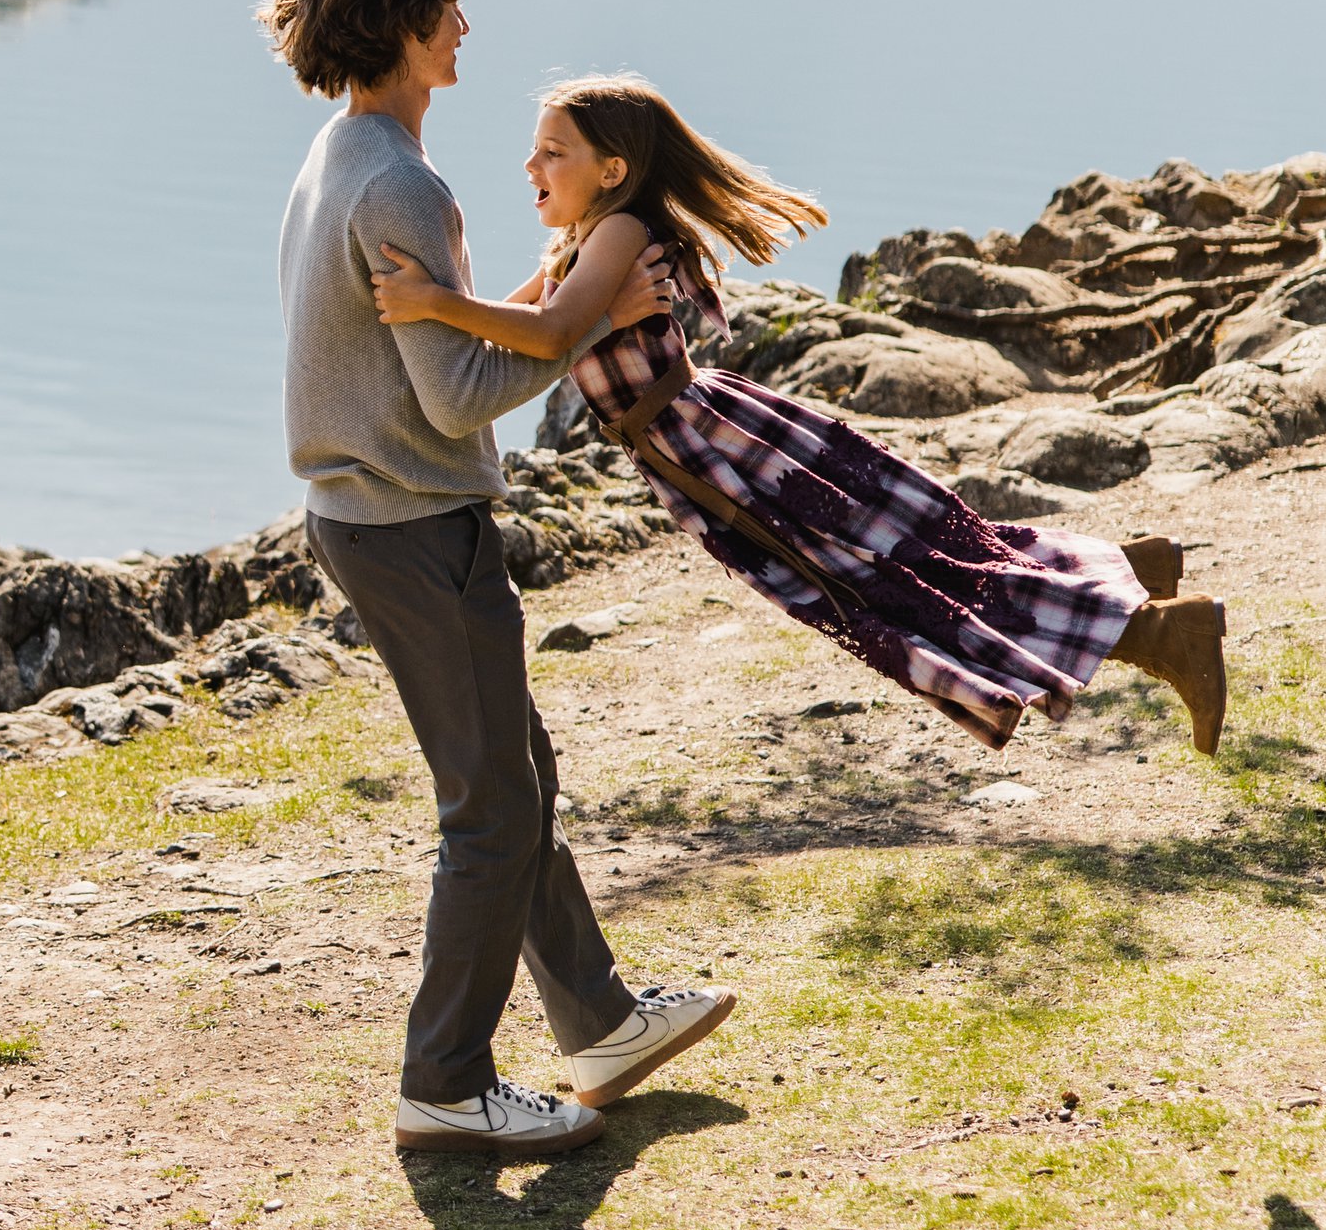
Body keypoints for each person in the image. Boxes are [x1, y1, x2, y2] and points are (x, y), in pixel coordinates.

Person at [262, 0, 737, 1157]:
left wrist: (540, 293)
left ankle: (602, 1024)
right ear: (408, 25)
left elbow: (425, 343)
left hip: (370, 512)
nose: (465, 27)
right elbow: (460, 394)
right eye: (451, 9)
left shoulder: (342, 153)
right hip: (415, 521)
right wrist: (592, 318)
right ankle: (446, 1080)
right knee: (490, 810)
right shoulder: (404, 183)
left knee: (516, 785)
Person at [371, 72, 1229, 758]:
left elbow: (550, 330)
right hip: (709, 450)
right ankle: (1126, 570)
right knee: (901, 558)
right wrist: (439, 311)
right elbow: (520, 327)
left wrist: (429, 301)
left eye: (551, 152)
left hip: (723, 455)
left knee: (886, 582)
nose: (531, 168)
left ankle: (1160, 631)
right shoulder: (585, 242)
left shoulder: (621, 230)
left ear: (613, 169)